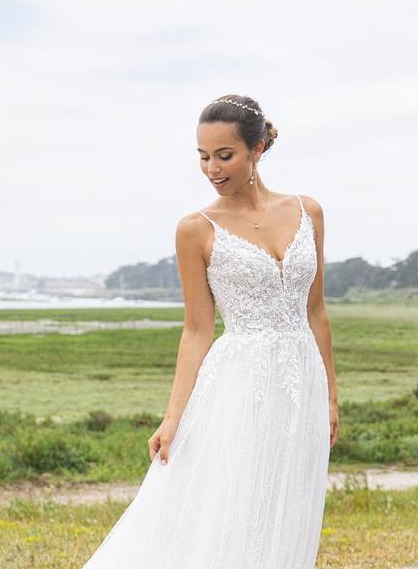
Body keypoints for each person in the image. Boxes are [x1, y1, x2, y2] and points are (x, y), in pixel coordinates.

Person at [81, 94, 340, 568]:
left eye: (225, 155)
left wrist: (331, 396)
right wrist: (173, 416)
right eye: (203, 156)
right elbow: (197, 330)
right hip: (237, 383)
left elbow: (316, 311)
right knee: (231, 503)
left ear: (258, 149)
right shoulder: (195, 229)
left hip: (302, 382)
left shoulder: (310, 212)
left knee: (289, 503)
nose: (212, 169)